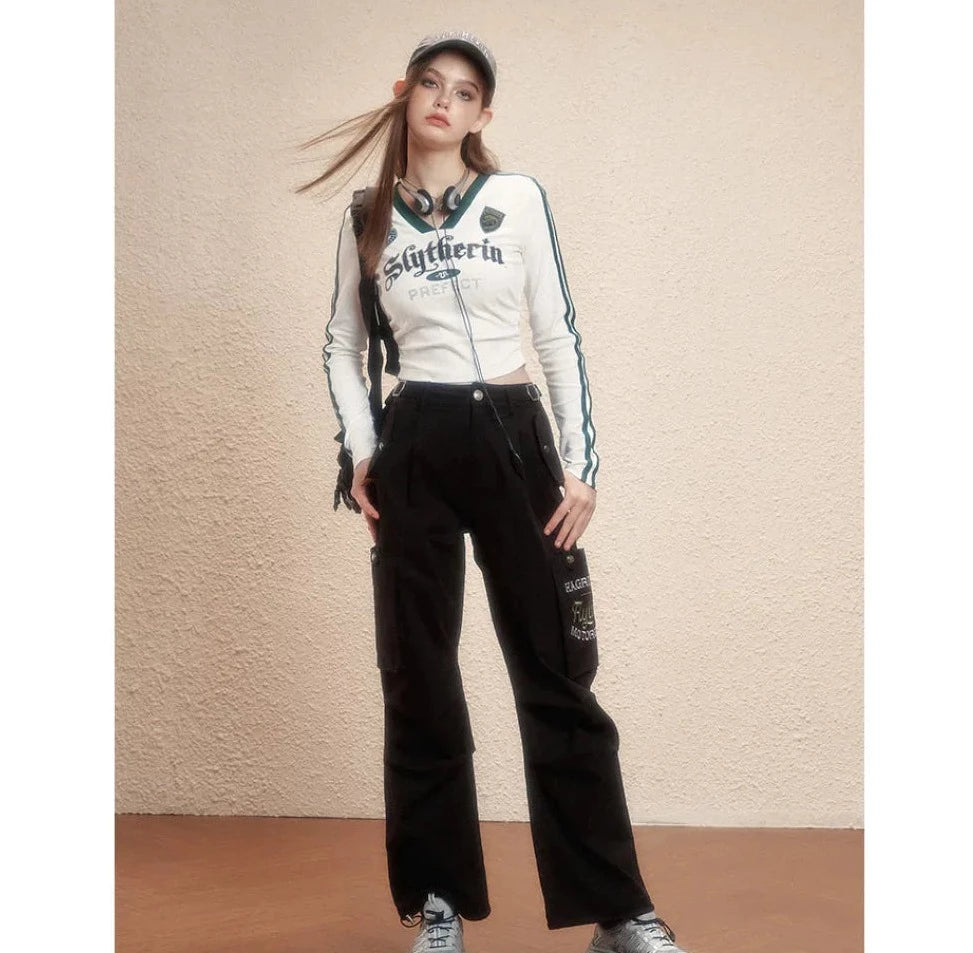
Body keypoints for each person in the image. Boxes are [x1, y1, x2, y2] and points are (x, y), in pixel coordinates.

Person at [298, 29, 694, 953]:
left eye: (465, 91)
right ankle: (439, 902)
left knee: (557, 674)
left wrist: (581, 465)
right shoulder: (365, 217)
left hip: (514, 437)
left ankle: (617, 912)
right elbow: (341, 344)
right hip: (416, 444)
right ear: (404, 93)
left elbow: (556, 332)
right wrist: (362, 450)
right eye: (430, 84)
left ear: (482, 113)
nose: (445, 100)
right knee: (419, 677)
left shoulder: (516, 199)